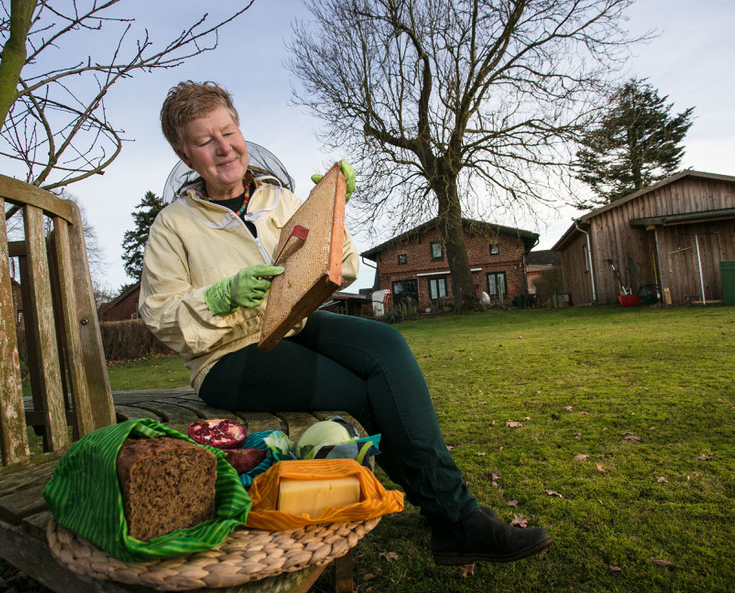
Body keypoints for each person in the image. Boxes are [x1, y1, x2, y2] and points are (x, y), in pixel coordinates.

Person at [139, 80, 553, 566]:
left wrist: (332, 207)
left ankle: (451, 515)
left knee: (386, 345)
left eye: (228, 131)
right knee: (360, 396)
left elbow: (345, 266)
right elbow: (159, 316)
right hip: (227, 355)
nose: (224, 147)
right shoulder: (173, 225)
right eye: (205, 140)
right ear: (185, 155)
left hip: (293, 324)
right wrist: (220, 296)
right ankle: (455, 518)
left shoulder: (280, 200)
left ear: (240, 130)